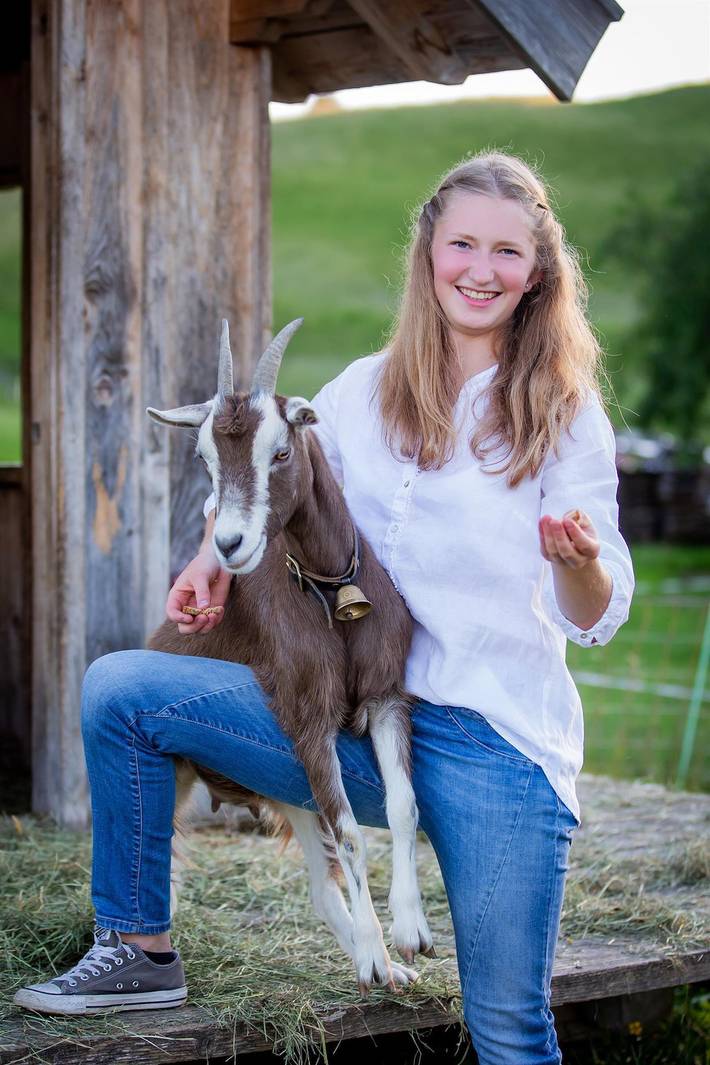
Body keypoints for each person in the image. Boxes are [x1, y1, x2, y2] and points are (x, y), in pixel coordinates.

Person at [14, 151, 634, 1063]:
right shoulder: (358, 390)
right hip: (349, 731)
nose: (480, 268)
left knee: (507, 1025)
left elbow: (598, 604)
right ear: (429, 254)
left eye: (506, 251)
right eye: (462, 243)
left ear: (537, 270)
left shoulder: (564, 411)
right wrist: (210, 563)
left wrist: (577, 561)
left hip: (494, 744)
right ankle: (137, 946)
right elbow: (276, 480)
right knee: (123, 688)